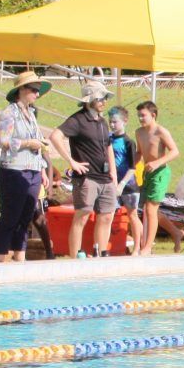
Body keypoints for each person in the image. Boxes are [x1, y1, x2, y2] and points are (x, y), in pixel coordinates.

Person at [49, 79, 119, 258]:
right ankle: (74, 258)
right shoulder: (78, 120)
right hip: (87, 177)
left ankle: (100, 254)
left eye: (105, 97)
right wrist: (72, 161)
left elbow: (108, 146)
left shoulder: (102, 122)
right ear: (89, 100)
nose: (104, 101)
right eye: (100, 98)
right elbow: (55, 136)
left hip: (105, 177)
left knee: (106, 215)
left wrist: (113, 172)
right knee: (83, 214)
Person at [0, 70, 52, 262]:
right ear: (22, 90)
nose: (37, 94)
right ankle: (0, 259)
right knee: (9, 218)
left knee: (25, 218)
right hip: (13, 171)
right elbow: (2, 141)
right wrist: (28, 143)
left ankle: (20, 257)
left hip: (33, 171)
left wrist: (42, 167)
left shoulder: (31, 114)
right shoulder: (9, 113)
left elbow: (35, 141)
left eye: (38, 91)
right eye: (34, 90)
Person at [133, 99, 179, 257]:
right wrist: (132, 166)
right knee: (149, 210)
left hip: (160, 172)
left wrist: (157, 162)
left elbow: (174, 151)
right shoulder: (139, 132)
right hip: (147, 172)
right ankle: (176, 233)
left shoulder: (161, 131)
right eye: (138, 115)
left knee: (150, 209)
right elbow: (139, 152)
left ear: (153, 115)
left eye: (143, 116)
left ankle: (147, 247)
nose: (140, 119)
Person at [106, 106, 141, 254]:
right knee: (108, 215)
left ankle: (138, 247)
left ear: (125, 121)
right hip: (112, 183)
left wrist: (121, 184)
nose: (112, 125)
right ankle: (104, 247)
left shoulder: (128, 142)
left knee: (133, 215)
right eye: (110, 122)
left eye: (115, 122)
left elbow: (132, 167)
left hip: (128, 185)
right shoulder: (108, 139)